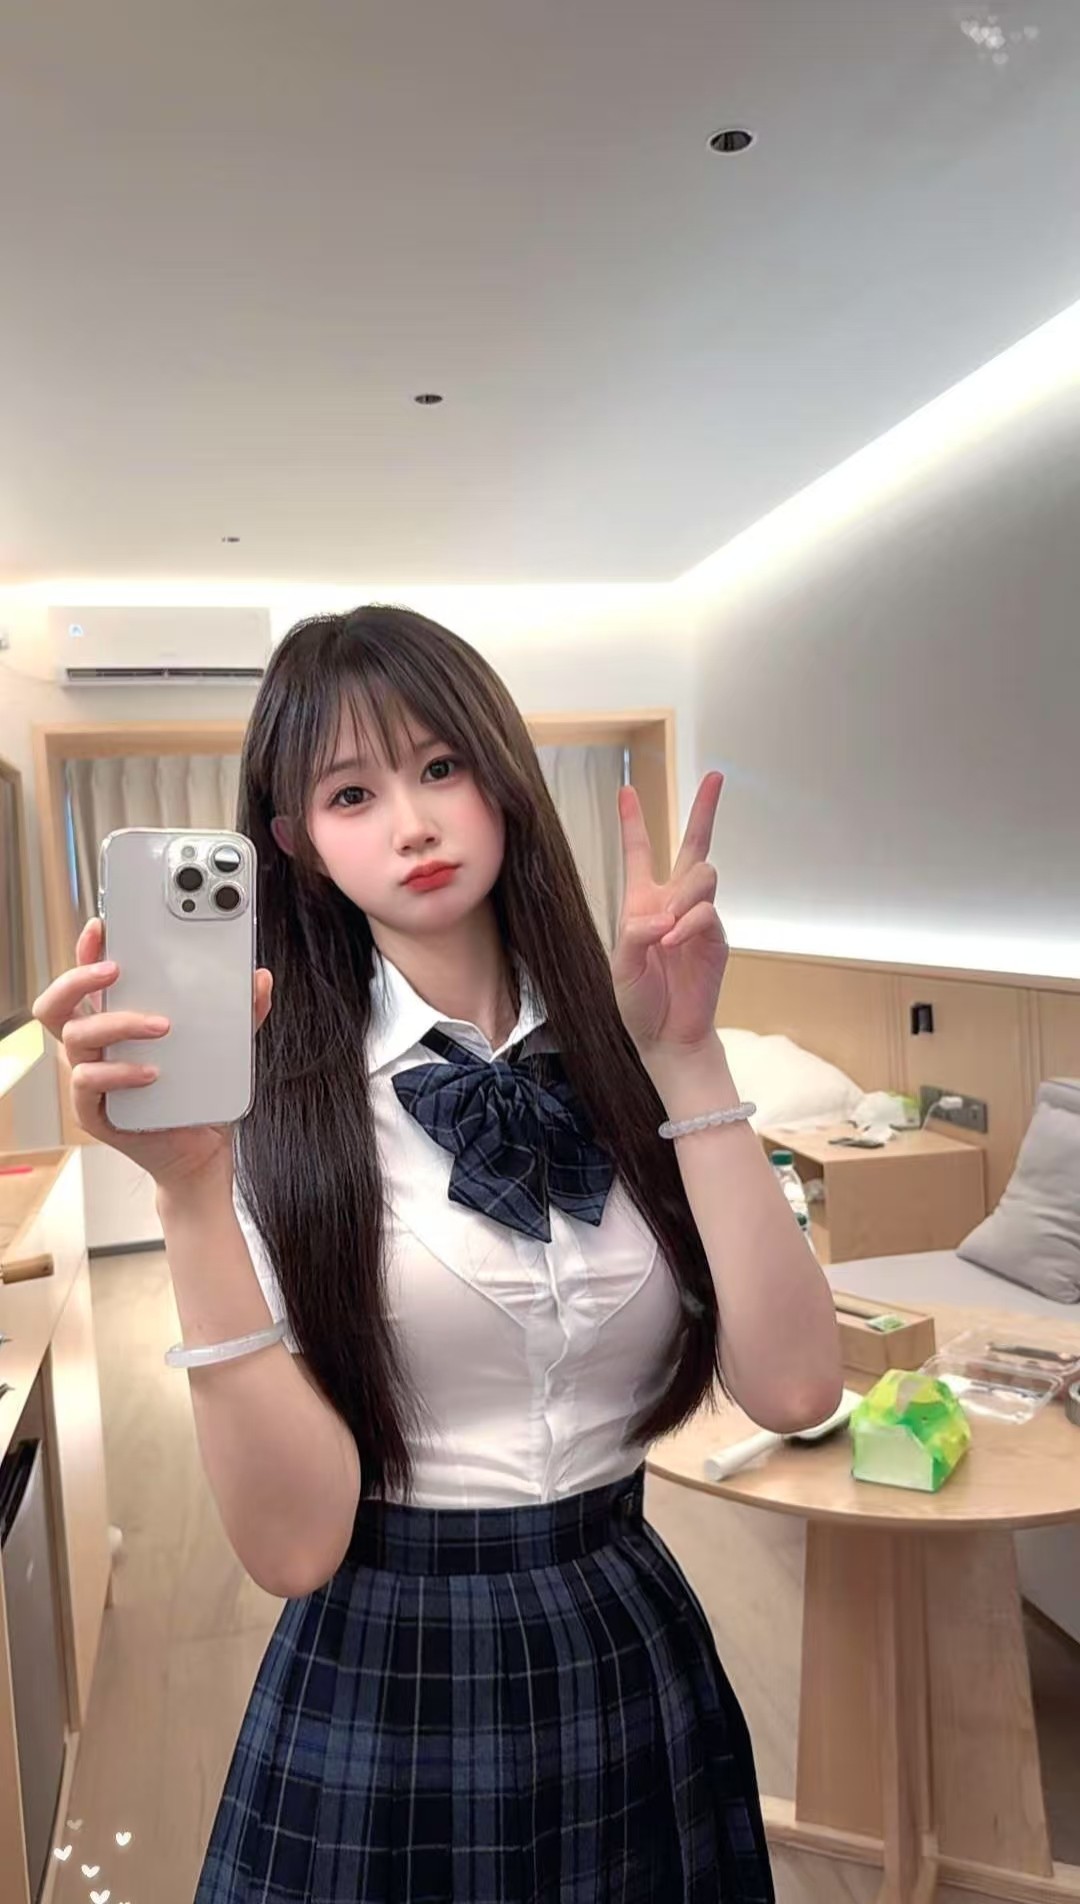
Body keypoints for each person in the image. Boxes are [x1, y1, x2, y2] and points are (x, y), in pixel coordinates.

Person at [35, 606, 842, 1903]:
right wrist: (189, 1194)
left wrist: (688, 1055)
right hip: (382, 1675)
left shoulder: (631, 1054)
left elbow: (799, 1390)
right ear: (297, 844)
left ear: (502, 780)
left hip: (628, 1643)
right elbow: (293, 1552)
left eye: (441, 766)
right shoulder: (267, 1105)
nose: (411, 823)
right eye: (352, 793)